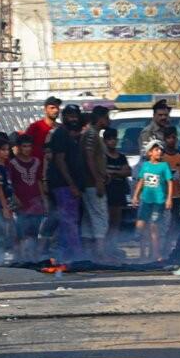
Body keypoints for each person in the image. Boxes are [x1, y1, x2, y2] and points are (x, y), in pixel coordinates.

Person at [43, 105, 85, 262]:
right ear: (64, 117)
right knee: (68, 221)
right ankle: (73, 255)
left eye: (75, 116)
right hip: (63, 185)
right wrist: (71, 185)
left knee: (69, 220)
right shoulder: (61, 134)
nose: (73, 119)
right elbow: (60, 161)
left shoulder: (71, 135)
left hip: (69, 185)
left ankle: (66, 255)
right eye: (70, 116)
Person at [131, 139, 174, 261]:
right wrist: (135, 196)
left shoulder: (164, 166)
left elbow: (170, 182)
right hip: (146, 200)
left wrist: (169, 198)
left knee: (154, 227)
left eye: (160, 150)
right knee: (142, 225)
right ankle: (142, 253)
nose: (159, 152)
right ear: (149, 153)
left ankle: (155, 254)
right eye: (156, 150)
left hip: (159, 201)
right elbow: (141, 181)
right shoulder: (145, 166)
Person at [79, 105, 112, 259]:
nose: (109, 120)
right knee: (101, 218)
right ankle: (100, 253)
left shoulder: (92, 134)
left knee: (88, 219)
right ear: (100, 119)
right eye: (107, 117)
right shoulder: (91, 134)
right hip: (92, 184)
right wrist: (98, 179)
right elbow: (89, 157)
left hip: (89, 182)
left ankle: (87, 254)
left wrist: (104, 174)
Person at [8, 134, 46, 259]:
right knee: (20, 233)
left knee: (34, 233)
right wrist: (14, 198)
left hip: (36, 203)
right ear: (19, 147)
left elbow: (39, 180)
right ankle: (19, 257)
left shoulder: (36, 162)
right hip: (21, 204)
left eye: (29, 146)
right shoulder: (13, 163)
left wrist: (43, 199)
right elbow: (10, 183)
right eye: (24, 146)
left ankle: (32, 258)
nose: (27, 149)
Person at [103, 128, 131, 251]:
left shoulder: (121, 157)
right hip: (107, 191)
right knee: (107, 221)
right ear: (105, 141)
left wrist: (113, 173)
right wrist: (118, 172)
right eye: (109, 139)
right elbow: (103, 171)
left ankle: (113, 246)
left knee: (116, 221)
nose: (112, 141)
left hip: (119, 191)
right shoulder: (103, 157)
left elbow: (128, 171)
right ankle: (106, 247)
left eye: (114, 139)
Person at [161, 128, 180, 226]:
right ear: (164, 139)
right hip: (165, 194)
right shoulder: (161, 155)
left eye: (173, 137)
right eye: (168, 138)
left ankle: (179, 235)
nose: (171, 140)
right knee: (167, 220)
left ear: (177, 138)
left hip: (179, 193)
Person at [25, 96, 61, 162]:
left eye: (57, 107)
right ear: (45, 110)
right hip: (37, 165)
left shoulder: (62, 128)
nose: (56, 110)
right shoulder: (35, 127)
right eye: (52, 108)